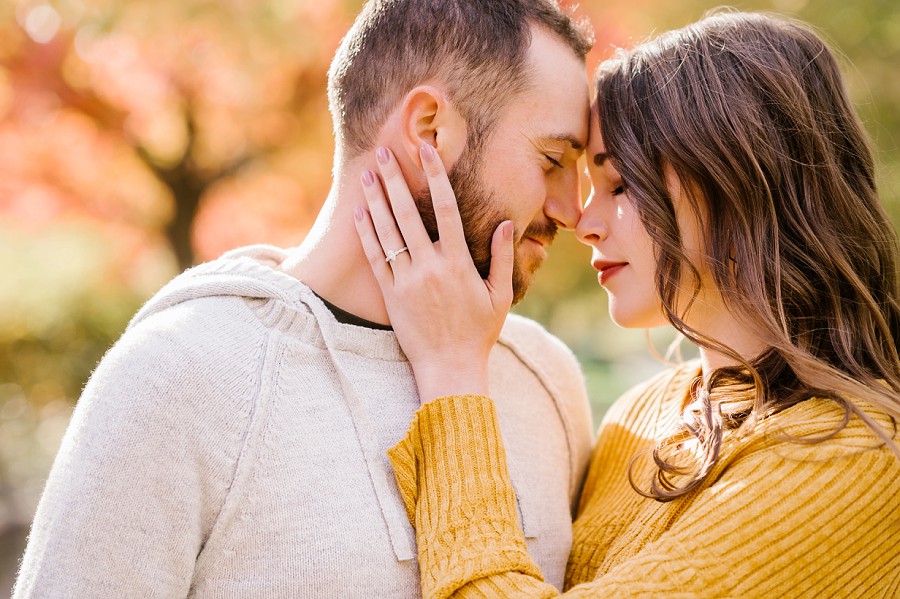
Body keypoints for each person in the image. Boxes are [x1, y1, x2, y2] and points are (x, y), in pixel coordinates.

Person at [13, 1, 598, 597]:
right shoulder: (175, 378)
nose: (573, 211)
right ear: (429, 130)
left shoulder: (547, 380)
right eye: (553, 160)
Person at [353, 10, 900, 597]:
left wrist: (452, 370)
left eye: (619, 186)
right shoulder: (640, 415)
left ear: (738, 185)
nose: (583, 221)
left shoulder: (855, 460)